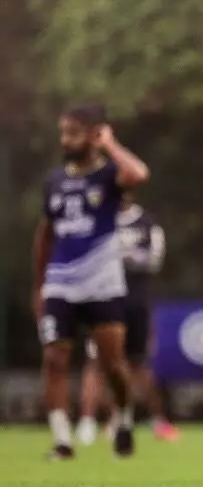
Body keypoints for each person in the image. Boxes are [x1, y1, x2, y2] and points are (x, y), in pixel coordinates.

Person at [33, 103, 150, 459]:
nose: (65, 140)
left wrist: (109, 144)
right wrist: (38, 286)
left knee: (112, 363)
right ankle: (62, 440)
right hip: (60, 282)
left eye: (73, 133)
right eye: (63, 133)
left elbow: (139, 174)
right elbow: (45, 234)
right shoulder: (55, 181)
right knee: (54, 358)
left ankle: (124, 418)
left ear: (93, 134)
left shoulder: (109, 175)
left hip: (102, 283)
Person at [76, 190, 178, 444]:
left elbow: (155, 259)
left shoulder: (147, 223)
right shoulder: (97, 220)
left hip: (135, 302)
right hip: (103, 299)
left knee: (137, 363)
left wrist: (128, 255)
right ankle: (87, 423)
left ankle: (145, 420)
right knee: (97, 361)